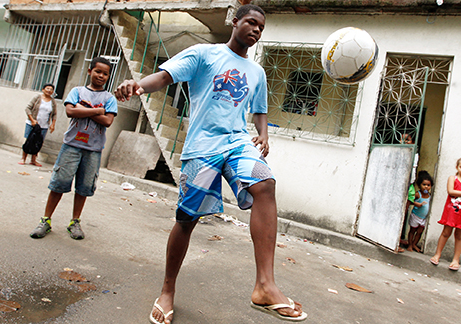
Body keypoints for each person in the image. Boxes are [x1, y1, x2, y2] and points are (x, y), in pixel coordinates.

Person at [114, 4, 306, 323]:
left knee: (266, 185)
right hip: (203, 147)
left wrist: (263, 135)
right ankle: (167, 290)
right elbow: (165, 76)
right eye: (251, 23)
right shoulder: (204, 54)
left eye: (262, 27)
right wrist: (139, 85)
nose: (257, 30)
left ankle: (265, 285)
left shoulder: (256, 72)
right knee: (187, 219)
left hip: (236, 142)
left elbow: (259, 109)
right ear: (235, 21)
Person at [30, 57, 117, 240]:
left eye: (105, 73)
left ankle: (75, 222)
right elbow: (70, 111)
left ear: (108, 76)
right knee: (58, 184)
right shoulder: (76, 91)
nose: (101, 75)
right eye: (97, 71)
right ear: (89, 71)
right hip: (71, 146)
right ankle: (45, 220)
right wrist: (98, 111)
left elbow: (108, 121)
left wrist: (83, 109)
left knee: (84, 188)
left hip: (93, 149)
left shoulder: (110, 98)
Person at [430, 157, 461, 271]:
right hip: (451, 211)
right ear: (457, 167)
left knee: (459, 236)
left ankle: (456, 260)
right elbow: (451, 191)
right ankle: (437, 254)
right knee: (446, 233)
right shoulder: (453, 178)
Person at [19, 83, 57, 167]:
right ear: (43, 89)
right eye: (47, 88)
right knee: (28, 140)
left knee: (38, 142)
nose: (49, 90)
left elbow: (54, 114)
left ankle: (33, 160)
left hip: (44, 126)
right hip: (32, 124)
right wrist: (32, 120)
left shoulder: (53, 101)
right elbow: (27, 108)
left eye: (51, 89)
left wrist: (52, 124)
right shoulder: (37, 98)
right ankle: (23, 158)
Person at [406, 171, 433, 252]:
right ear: (419, 185)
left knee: (420, 232)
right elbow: (409, 201)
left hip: (424, 218)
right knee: (412, 231)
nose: (426, 187)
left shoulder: (430, 196)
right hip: (415, 216)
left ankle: (414, 244)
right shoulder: (418, 194)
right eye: (424, 185)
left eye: (428, 185)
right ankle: (410, 245)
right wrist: (416, 204)